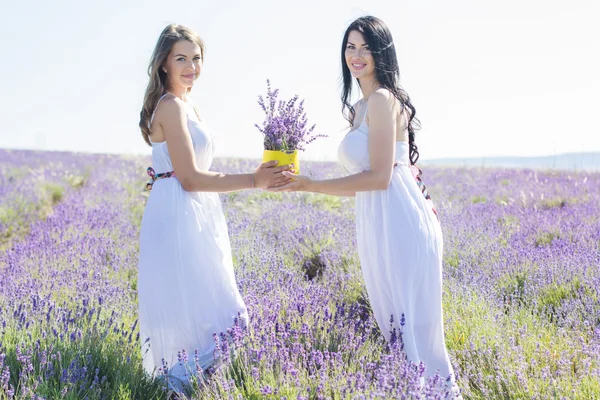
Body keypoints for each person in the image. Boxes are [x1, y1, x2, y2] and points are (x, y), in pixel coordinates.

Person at [269, 16, 460, 393]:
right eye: (350, 47)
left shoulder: (383, 100)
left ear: (381, 52)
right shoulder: (359, 108)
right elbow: (365, 185)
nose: (356, 55)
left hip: (401, 221)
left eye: (366, 47)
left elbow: (379, 178)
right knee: (393, 323)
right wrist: (301, 180)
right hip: (378, 220)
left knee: (412, 326)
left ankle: (438, 392)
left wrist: (310, 184)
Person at [136, 23, 291, 392]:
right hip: (179, 212)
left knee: (207, 310)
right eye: (181, 59)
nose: (191, 66)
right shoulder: (171, 107)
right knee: (207, 310)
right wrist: (254, 180)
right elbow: (189, 177)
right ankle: (179, 388)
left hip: (196, 213)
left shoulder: (189, 104)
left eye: (196, 58)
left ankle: (187, 389)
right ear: (163, 65)